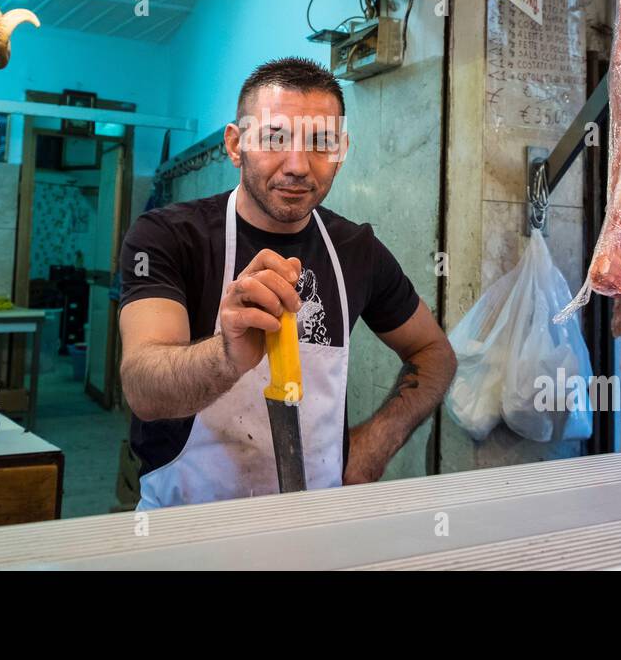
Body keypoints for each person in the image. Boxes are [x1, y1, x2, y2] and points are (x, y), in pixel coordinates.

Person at [118, 57, 455, 509]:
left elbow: (435, 353)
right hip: (185, 524)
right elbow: (143, 390)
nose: (298, 165)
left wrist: (378, 441)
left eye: (321, 142)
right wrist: (226, 355)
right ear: (236, 146)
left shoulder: (357, 250)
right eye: (276, 138)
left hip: (313, 524)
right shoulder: (168, 237)